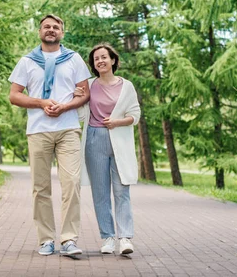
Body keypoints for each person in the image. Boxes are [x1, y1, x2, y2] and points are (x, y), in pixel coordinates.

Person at [8, 14, 91, 256]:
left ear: (62, 33)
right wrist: (41, 102)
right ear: (40, 32)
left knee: (72, 184)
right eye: (47, 26)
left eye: (56, 27)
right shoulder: (27, 62)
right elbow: (14, 95)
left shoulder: (74, 59)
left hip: (67, 129)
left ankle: (68, 239)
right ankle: (46, 239)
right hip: (38, 130)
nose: (51, 30)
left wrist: (64, 107)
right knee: (40, 187)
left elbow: (84, 93)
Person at [77, 43, 141, 255]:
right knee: (100, 193)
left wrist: (117, 122)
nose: (100, 61)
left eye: (104, 57)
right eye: (96, 59)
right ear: (94, 64)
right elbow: (79, 112)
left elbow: (135, 116)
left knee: (122, 190)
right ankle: (107, 238)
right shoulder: (89, 84)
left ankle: (125, 238)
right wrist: (77, 97)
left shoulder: (127, 86)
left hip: (119, 140)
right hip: (94, 140)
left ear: (113, 60)